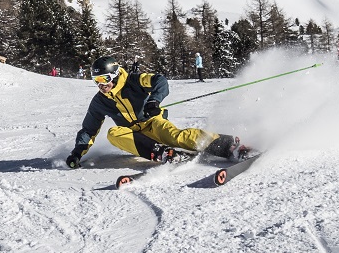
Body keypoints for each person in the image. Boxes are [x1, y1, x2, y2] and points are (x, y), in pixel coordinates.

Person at [66, 55, 243, 168]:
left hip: (153, 122)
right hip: (134, 135)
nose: (100, 85)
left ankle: (229, 145)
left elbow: (160, 81)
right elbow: (89, 130)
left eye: (103, 79)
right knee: (113, 133)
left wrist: (154, 100)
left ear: (114, 74)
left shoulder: (134, 81)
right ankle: (160, 152)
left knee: (178, 137)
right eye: (95, 80)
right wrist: (76, 153)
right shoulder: (99, 101)